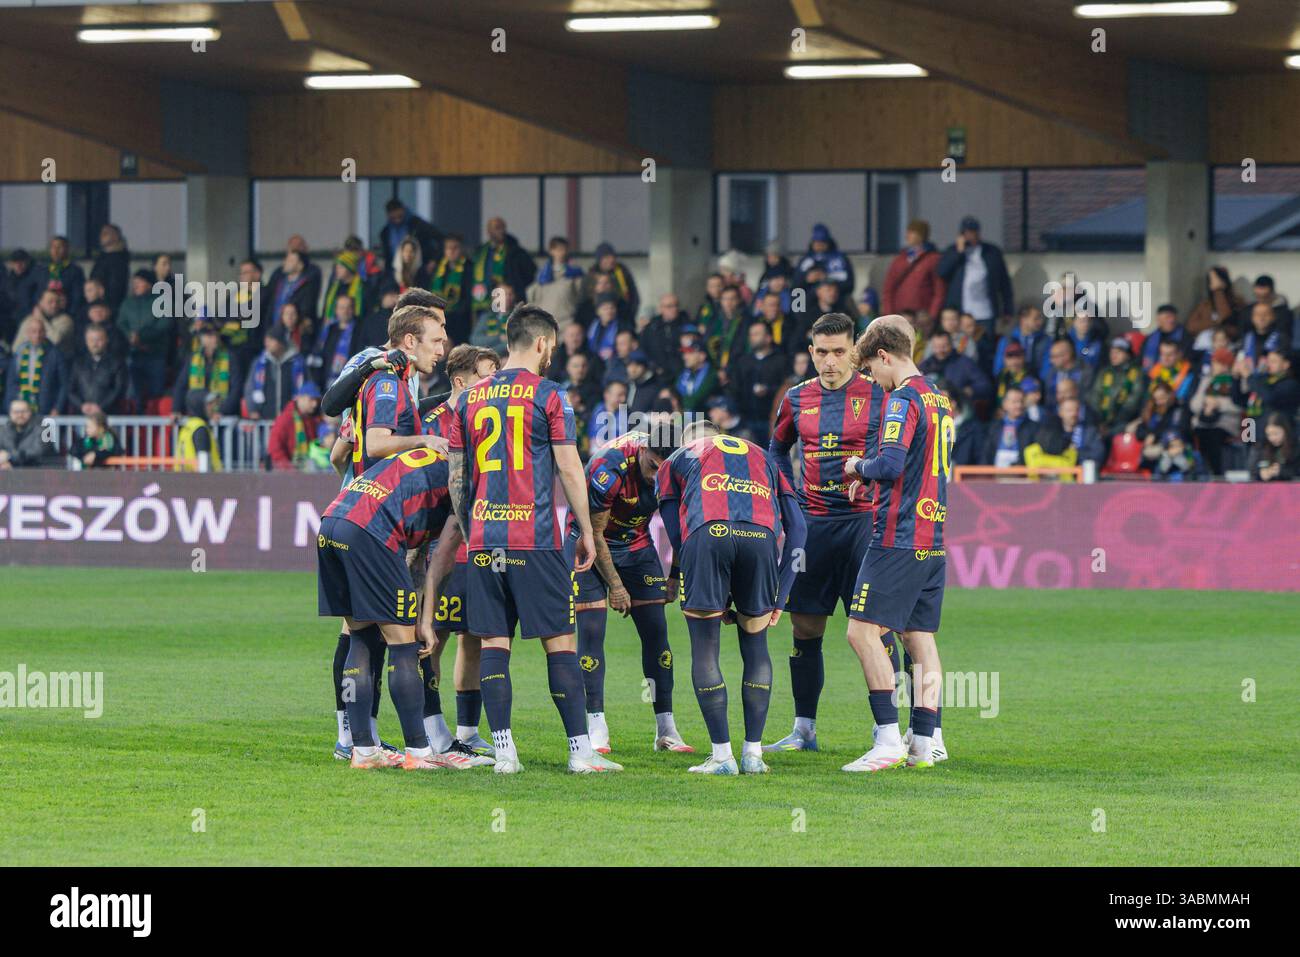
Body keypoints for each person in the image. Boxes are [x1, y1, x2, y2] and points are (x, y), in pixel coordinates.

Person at [446, 304, 613, 774]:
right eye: (553, 347)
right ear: (541, 344)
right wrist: (585, 531)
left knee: (494, 644)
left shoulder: (467, 400)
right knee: (559, 644)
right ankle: (580, 752)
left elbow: (458, 479)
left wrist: (471, 526)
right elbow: (569, 468)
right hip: (534, 539)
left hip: (483, 539)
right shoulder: (550, 396)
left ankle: (504, 753)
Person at [318, 291, 450, 760]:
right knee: (392, 633)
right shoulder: (380, 368)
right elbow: (342, 411)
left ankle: (362, 740)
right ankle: (366, 738)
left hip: (358, 508)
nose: (444, 346)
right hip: (382, 510)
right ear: (410, 335)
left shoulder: (405, 379)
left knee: (361, 631)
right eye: (438, 333)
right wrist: (427, 440)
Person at [764, 312, 893, 753]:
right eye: (822, 353)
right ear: (810, 352)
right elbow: (777, 451)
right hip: (813, 526)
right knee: (805, 627)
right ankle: (804, 729)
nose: (830, 362)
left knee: (877, 629)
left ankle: (887, 728)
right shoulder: (796, 399)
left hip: (865, 524)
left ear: (854, 351)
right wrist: (789, 502)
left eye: (839, 352)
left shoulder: (879, 393)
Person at [655, 421, 806, 775]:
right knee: (756, 646)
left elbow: (674, 527)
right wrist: (781, 595)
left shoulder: (678, 457)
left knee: (705, 648)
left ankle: (722, 756)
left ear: (692, 441)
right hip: (761, 539)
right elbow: (798, 528)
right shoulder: (764, 457)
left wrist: (703, 577)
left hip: (708, 535)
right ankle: (753, 754)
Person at [841, 315, 953, 771]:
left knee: (861, 632)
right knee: (919, 638)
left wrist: (856, 468)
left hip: (897, 537)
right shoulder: (940, 399)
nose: (872, 380)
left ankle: (887, 739)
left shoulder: (902, 399)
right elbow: (920, 463)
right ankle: (924, 744)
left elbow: (888, 463)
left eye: (870, 370)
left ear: (884, 356)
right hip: (934, 537)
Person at [317, 442, 470, 771]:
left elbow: (413, 555)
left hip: (332, 523)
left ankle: (363, 749)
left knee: (362, 637)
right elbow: (442, 558)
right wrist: (426, 620)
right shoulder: (465, 476)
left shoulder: (432, 461)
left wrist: (416, 608)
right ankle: (419, 751)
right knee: (404, 646)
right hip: (370, 532)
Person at [567, 428, 691, 756]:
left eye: (663, 471)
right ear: (642, 450)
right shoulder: (608, 470)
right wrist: (616, 587)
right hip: (588, 542)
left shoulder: (679, 467)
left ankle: (666, 729)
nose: (656, 478)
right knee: (591, 634)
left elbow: (681, 526)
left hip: (637, 545)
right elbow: (594, 533)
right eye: (652, 468)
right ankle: (596, 726)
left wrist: (675, 577)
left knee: (657, 635)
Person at [418, 345, 502, 761]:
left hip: (480, 542)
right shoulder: (430, 421)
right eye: (487, 375)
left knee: (476, 635)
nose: (494, 383)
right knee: (433, 639)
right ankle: (431, 730)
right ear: (461, 381)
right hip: (440, 545)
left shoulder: (490, 418)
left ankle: (467, 732)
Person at [937, 216, 1013, 330]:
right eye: (967, 233)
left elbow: (1004, 283)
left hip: (985, 312)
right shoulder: (953, 251)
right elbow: (942, 272)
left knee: (984, 344)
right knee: (962, 345)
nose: (970, 236)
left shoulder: (992, 252)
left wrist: (1008, 309)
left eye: (973, 232)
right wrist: (958, 253)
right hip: (960, 313)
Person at [727, 321, 788, 445]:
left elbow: (787, 388)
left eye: (756, 334)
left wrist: (768, 390)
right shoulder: (743, 362)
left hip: (772, 421)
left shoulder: (781, 361)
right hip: (747, 421)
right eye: (751, 334)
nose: (752, 338)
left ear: (768, 338)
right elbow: (734, 389)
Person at [469, 217, 536, 327]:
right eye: (497, 228)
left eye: (503, 228)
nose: (501, 231)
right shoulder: (480, 251)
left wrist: (516, 290)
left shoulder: (514, 251)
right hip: (483, 301)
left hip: (507, 301)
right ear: (489, 231)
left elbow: (529, 272)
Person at [882, 219, 945, 319]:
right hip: (900, 315)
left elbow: (939, 290)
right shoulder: (900, 259)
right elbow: (888, 289)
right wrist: (888, 314)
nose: (907, 236)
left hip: (922, 316)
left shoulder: (932, 259)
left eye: (912, 232)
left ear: (921, 235)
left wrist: (932, 315)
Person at [68, 324, 127, 416]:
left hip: (110, 416)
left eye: (99, 340)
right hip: (83, 416)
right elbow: (70, 390)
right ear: (86, 341)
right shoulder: (78, 363)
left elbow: (119, 389)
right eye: (91, 340)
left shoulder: (117, 362)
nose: (95, 344)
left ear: (106, 340)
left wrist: (101, 407)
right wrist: (82, 406)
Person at [528, 236, 584, 326]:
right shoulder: (542, 275)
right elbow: (534, 296)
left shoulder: (575, 273)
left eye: (565, 249)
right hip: (545, 321)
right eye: (559, 249)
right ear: (551, 251)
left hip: (567, 321)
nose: (563, 253)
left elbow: (580, 295)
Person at [267, 382, 324, 470]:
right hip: (287, 473)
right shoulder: (285, 419)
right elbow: (275, 447)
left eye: (317, 400)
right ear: (300, 398)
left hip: (309, 471)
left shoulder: (315, 420)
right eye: (311, 400)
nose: (315, 404)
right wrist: (288, 468)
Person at [378, 197, 442, 266]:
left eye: (400, 216)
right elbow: (387, 255)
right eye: (393, 218)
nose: (397, 221)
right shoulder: (385, 233)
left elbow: (441, 238)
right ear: (388, 216)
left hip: (420, 269)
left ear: (403, 210)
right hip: (396, 271)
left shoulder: (418, 225)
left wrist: (434, 260)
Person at [176, 389, 222, 472]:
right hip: (199, 481)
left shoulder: (189, 426)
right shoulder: (200, 429)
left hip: (184, 479)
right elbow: (203, 465)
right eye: (209, 404)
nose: (213, 407)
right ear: (198, 405)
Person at [0, 398, 54, 469]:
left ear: (30, 412)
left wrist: (9, 456)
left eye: (23, 411)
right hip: (16, 471)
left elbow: (38, 452)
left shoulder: (43, 428)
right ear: (10, 413)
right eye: (16, 412)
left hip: (43, 472)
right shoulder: (4, 430)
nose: (20, 415)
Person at [90, 224, 130, 311]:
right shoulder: (102, 257)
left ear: (115, 237)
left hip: (109, 305)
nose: (101, 236)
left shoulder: (119, 260)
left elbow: (116, 287)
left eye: (105, 234)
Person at [1249, 413, 1299, 482]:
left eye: (1276, 433)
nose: (1272, 438)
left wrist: (1281, 471)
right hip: (1266, 489)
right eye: (1269, 434)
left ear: (1285, 431)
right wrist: (1261, 473)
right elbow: (1253, 470)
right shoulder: (1261, 447)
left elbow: (1296, 471)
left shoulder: (1295, 447)